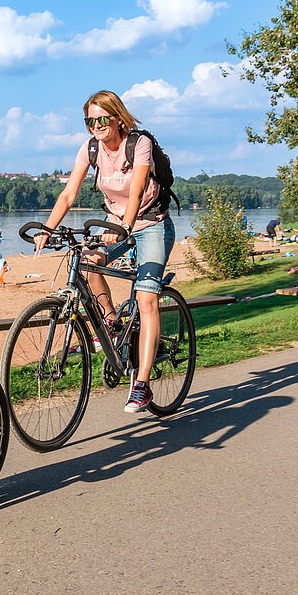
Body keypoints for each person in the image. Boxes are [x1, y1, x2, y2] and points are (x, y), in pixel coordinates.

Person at [33, 89, 175, 414]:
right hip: (116, 223)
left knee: (146, 298)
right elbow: (69, 194)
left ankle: (141, 384)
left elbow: (137, 189)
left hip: (151, 223)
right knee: (85, 263)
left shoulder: (139, 144)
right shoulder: (91, 148)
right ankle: (111, 323)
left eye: (102, 118)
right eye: (90, 120)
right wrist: (48, 228)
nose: (96, 125)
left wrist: (125, 226)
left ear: (117, 116)